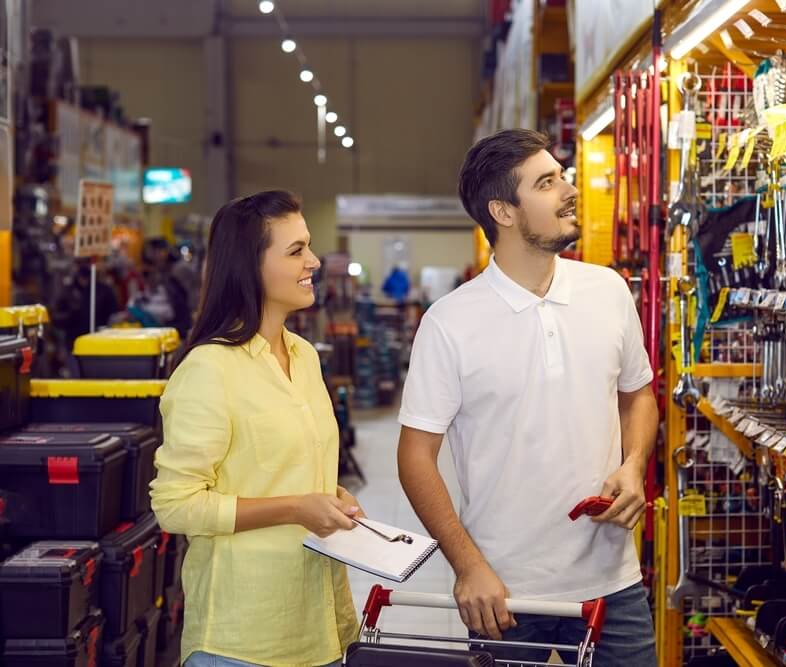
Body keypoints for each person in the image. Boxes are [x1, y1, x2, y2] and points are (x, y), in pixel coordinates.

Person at [396, 129, 659, 666]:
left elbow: (638, 396)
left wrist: (634, 466)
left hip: (613, 583)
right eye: (546, 182)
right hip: (503, 592)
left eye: (562, 175)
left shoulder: (607, 291)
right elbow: (415, 458)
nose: (568, 189)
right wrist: (467, 565)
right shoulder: (450, 323)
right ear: (504, 211)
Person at [150, 191, 362, 667]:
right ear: (250, 265)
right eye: (295, 251)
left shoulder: (304, 356)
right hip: (242, 639)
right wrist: (295, 507)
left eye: (308, 246)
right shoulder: (209, 369)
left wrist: (332, 497)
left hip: (320, 624)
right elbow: (175, 506)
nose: (313, 260)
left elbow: (289, 466)